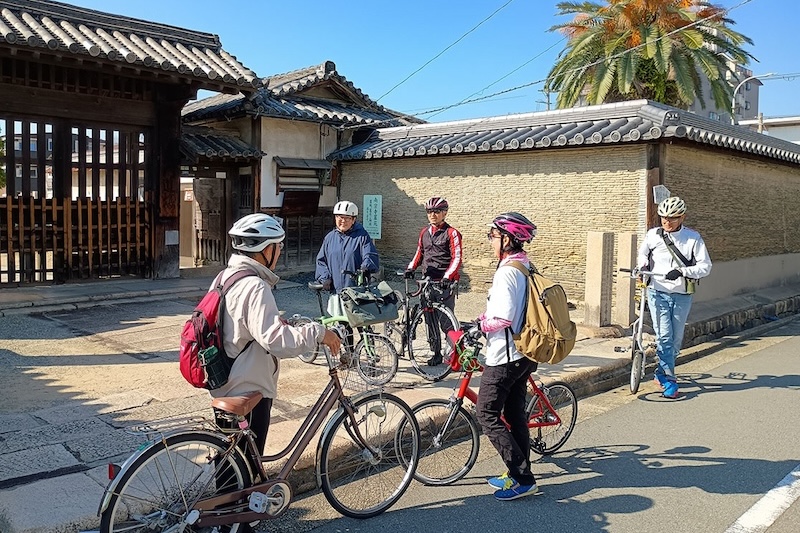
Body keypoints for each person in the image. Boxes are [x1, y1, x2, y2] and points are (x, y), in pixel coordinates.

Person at [211, 213, 341, 478]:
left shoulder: (226, 277)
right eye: (278, 245)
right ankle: (236, 518)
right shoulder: (254, 286)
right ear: (265, 249)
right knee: (244, 465)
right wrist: (318, 332)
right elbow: (277, 341)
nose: (280, 250)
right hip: (249, 385)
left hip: (225, 377)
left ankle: (230, 513)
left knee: (234, 460)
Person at [474, 212, 540, 501]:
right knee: (514, 414)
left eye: (493, 236)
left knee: (486, 413)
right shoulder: (525, 265)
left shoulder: (507, 272)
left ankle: (522, 477)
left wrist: (479, 325)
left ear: (507, 239)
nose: (491, 241)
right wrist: (484, 317)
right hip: (524, 352)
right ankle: (518, 475)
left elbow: (502, 318)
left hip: (505, 355)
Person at [637, 196, 712, 399]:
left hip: (681, 294)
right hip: (657, 291)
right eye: (663, 218)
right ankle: (670, 381)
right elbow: (642, 255)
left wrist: (682, 271)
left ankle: (661, 371)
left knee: (676, 340)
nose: (667, 222)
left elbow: (705, 266)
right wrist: (642, 267)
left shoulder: (692, 238)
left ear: (682, 217)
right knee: (664, 337)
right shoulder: (653, 235)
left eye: (672, 218)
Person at [405, 196, 463, 365]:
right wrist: (411, 268)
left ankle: (455, 354)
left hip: (443, 283)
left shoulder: (451, 233)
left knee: (446, 321)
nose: (433, 215)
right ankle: (436, 352)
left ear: (444, 213)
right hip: (427, 282)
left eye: (437, 211)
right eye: (430, 211)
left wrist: (448, 277)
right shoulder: (424, 232)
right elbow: (419, 253)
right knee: (429, 320)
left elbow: (457, 258)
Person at [316, 200, 380, 317]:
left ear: (353, 219)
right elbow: (321, 261)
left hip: (357, 291)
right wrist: (325, 278)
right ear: (335, 218)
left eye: (347, 218)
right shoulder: (330, 238)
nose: (343, 221)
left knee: (362, 325)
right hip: (336, 290)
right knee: (341, 326)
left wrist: (365, 267)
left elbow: (369, 254)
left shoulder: (362, 236)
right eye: (340, 217)